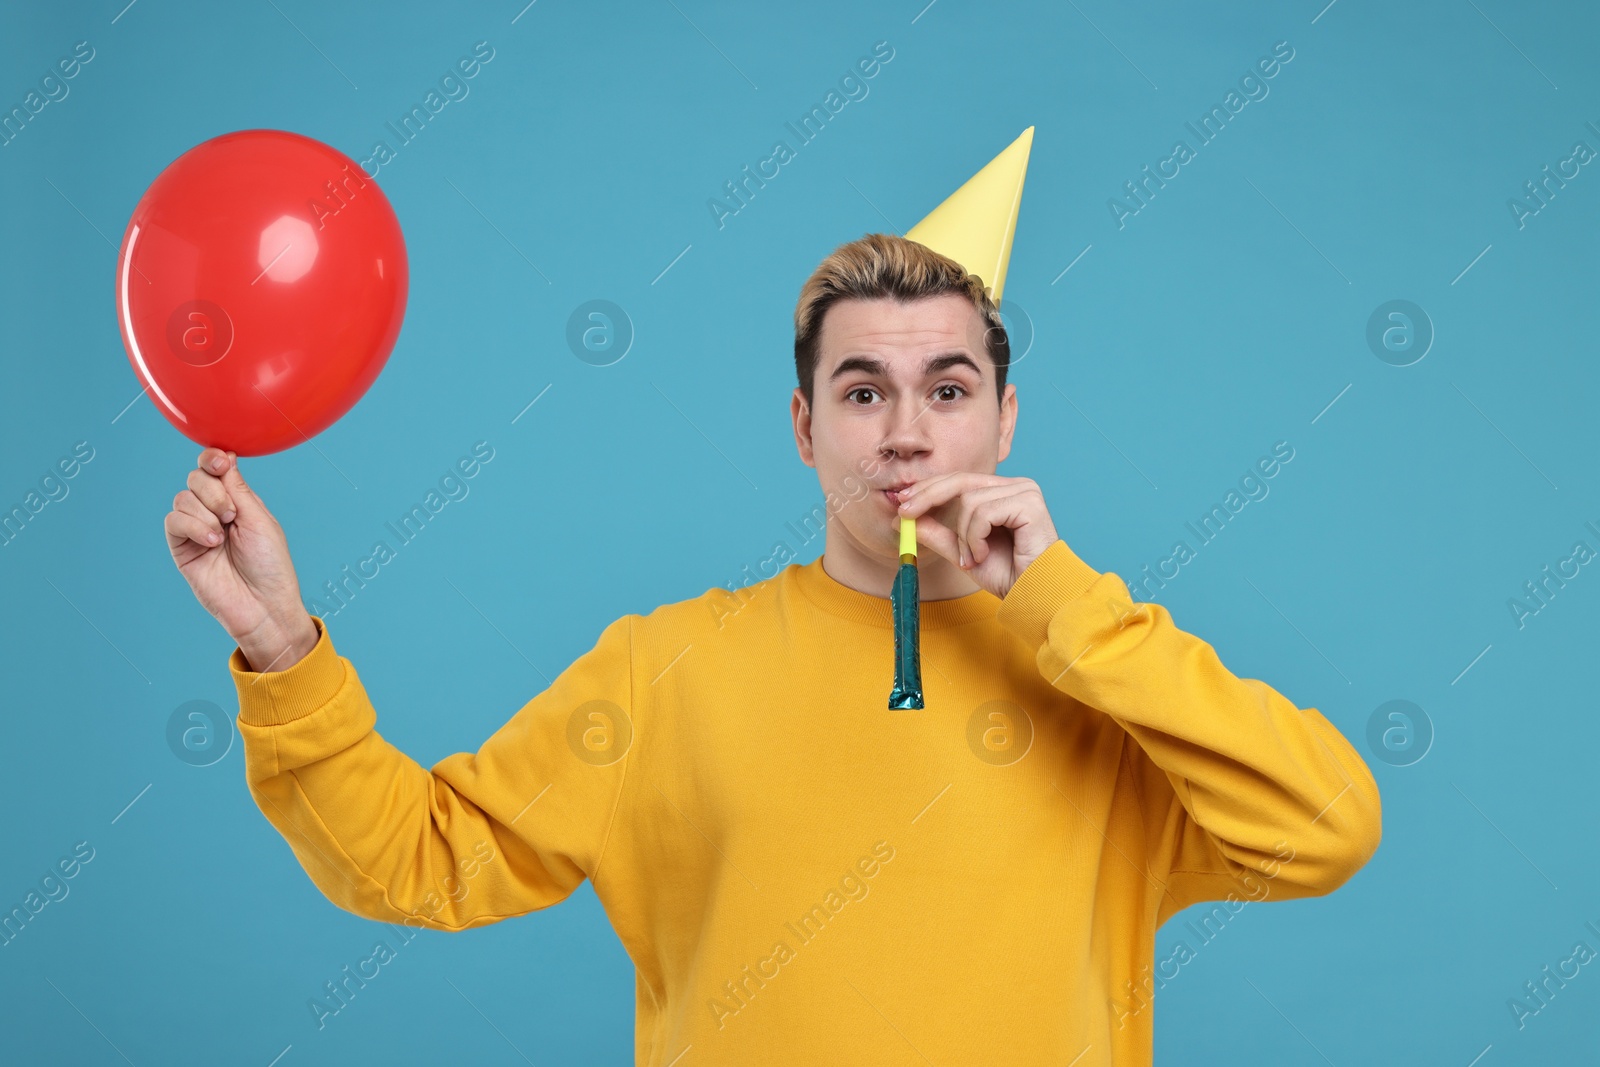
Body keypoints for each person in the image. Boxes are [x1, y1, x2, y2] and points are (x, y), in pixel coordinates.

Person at [165, 138, 1380, 1066]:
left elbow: (1326, 826)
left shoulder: (1105, 678)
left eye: (947, 388)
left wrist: (1061, 604)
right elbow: (425, 859)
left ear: (1005, 421)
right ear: (805, 428)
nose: (906, 432)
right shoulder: (665, 668)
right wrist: (280, 646)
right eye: (862, 392)